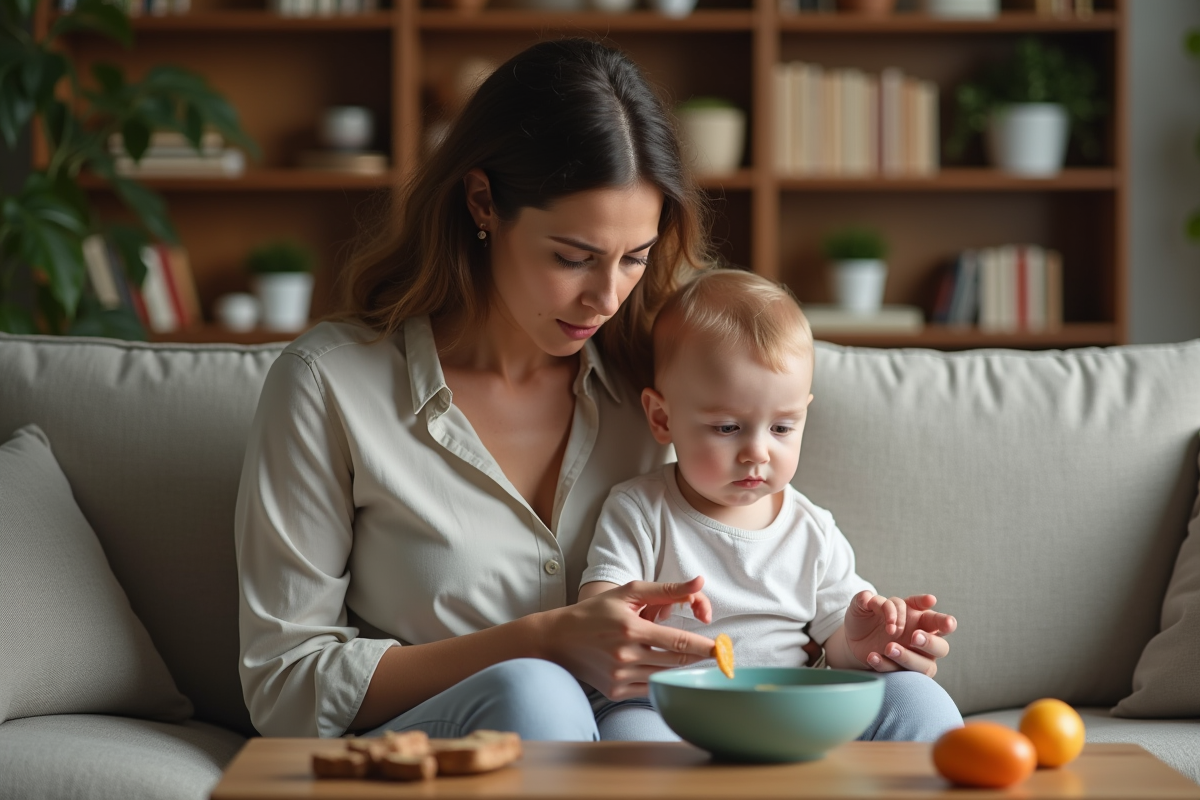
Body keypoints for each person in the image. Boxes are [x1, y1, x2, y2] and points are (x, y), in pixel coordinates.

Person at [233, 37, 725, 743]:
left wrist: (849, 636)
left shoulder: (665, 381)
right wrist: (542, 640)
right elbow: (284, 685)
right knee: (535, 691)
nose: (606, 297)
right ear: (482, 201)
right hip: (433, 754)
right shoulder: (330, 385)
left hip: (633, 740)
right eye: (572, 258)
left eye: (634, 260)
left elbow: (763, 542)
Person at [578, 269, 964, 741]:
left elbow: (838, 645)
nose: (757, 453)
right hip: (666, 710)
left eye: (782, 428)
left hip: (792, 712)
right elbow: (596, 615)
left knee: (916, 696)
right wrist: (621, 619)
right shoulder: (640, 510)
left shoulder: (812, 530)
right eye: (726, 428)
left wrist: (866, 643)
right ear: (662, 417)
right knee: (630, 736)